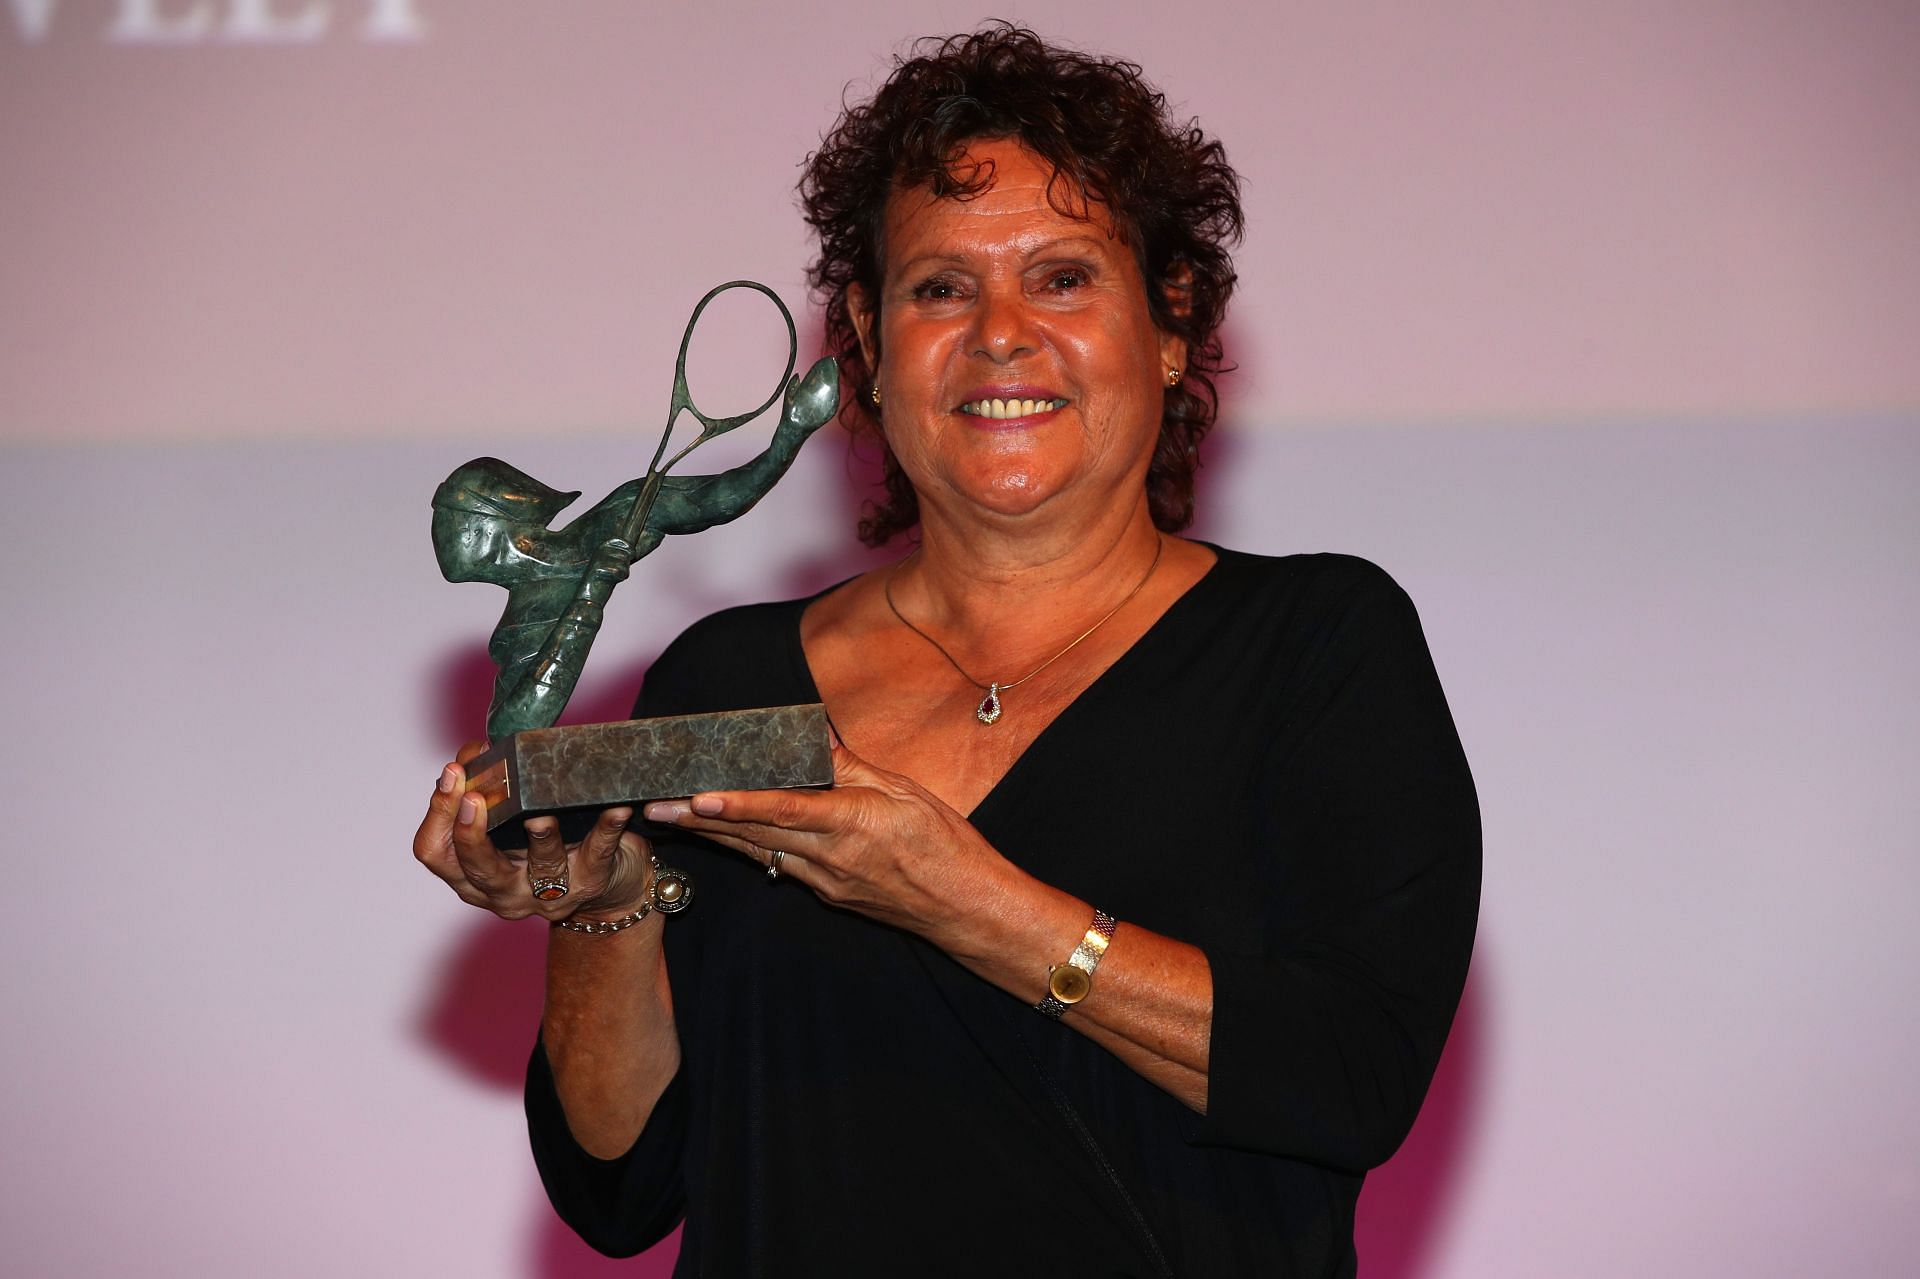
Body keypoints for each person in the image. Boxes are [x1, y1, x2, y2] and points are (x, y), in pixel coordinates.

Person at [414, 26, 1478, 1277]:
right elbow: (618, 1182)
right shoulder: (724, 682)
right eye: (939, 287)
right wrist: (601, 912)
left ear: (1172, 322)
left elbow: (1347, 1080)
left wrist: (958, 895)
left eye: (1064, 277)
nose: (999, 334)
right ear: (866, 341)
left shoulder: (1317, 648)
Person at [429, 354, 837, 740]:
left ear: (486, 527)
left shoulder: (617, 515)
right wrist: (591, 592)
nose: (438, 531)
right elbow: (512, 728)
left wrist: (789, 435)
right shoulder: (520, 625)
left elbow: (714, 499)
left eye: (447, 515)